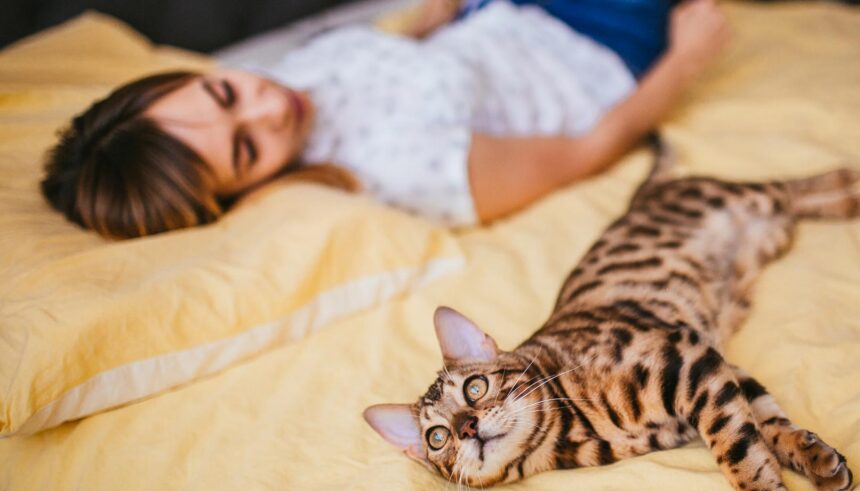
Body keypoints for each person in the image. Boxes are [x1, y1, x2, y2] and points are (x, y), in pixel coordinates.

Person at [41, 0, 729, 238]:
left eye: (226, 93)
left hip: (508, 14)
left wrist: (441, 11)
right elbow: (585, 150)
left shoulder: (296, 80)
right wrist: (686, 59)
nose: (269, 106)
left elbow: (404, 59)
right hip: (601, 44)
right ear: (244, 193)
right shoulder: (405, 170)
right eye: (247, 148)